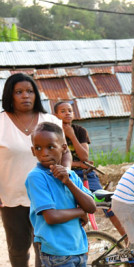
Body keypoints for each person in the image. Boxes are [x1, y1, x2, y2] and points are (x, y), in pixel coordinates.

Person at [0, 73, 71, 267]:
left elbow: (65, 153)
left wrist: (66, 172)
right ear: (10, 95)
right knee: (17, 249)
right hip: (12, 197)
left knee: (46, 247)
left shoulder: (51, 121)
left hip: (47, 194)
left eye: (30, 91)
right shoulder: (1, 123)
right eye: (19, 92)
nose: (25, 96)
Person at [25, 122, 97, 267]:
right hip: (56, 253)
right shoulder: (36, 177)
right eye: (38, 148)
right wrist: (80, 211)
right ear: (33, 151)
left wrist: (68, 182)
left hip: (79, 248)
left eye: (50, 147)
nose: (44, 153)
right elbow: (51, 217)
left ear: (63, 148)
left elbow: (91, 207)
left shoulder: (70, 175)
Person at [53, 101, 127, 237]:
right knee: (70, 208)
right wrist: (77, 164)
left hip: (86, 174)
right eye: (63, 111)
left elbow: (84, 157)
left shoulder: (80, 131)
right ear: (55, 115)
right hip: (64, 176)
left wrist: (71, 136)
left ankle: (127, 237)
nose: (67, 113)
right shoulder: (53, 133)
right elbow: (54, 161)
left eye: (69, 110)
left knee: (105, 201)